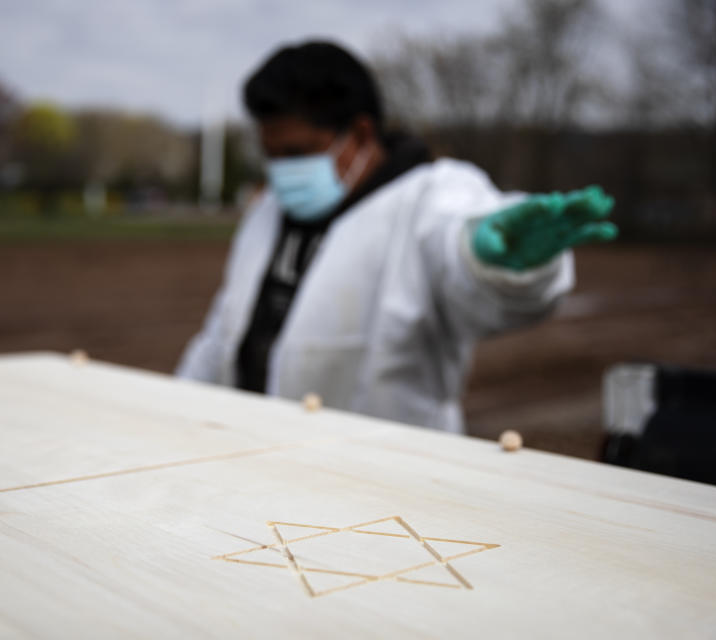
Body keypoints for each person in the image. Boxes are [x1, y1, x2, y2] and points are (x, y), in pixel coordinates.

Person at [176, 41, 616, 433]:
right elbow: (225, 330)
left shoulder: (429, 196)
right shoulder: (267, 211)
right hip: (254, 450)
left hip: (385, 474)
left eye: (297, 153)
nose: (281, 172)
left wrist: (488, 260)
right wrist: (175, 408)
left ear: (362, 134)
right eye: (271, 156)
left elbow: (458, 247)